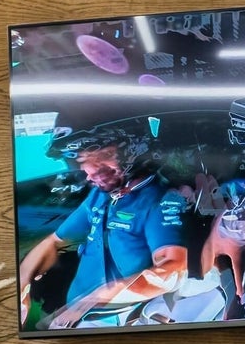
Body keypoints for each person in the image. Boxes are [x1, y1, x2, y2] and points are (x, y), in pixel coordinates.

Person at [20, 120, 194, 326]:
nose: (90, 170)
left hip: (115, 319)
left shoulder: (159, 201)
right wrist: (20, 290)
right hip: (72, 317)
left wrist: (97, 298)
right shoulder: (100, 197)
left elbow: (173, 268)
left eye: (103, 156)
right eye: (83, 160)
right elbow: (54, 241)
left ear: (134, 150)